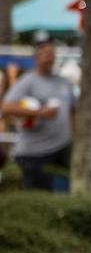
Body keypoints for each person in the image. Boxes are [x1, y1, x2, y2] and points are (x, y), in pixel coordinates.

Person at [1, 40, 75, 191]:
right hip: (34, 154)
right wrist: (40, 113)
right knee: (39, 196)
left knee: (63, 196)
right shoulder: (28, 81)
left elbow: (73, 111)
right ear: (36, 57)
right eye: (46, 54)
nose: (50, 58)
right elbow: (6, 107)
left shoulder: (64, 82)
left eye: (53, 54)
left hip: (62, 150)